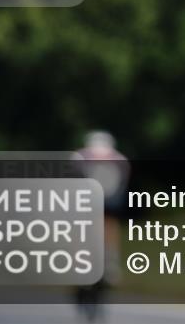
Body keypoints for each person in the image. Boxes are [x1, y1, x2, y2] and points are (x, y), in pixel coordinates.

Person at [71, 130, 130, 322]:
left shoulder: (79, 156)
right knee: (108, 222)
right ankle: (110, 261)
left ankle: (85, 261)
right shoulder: (119, 159)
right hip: (102, 201)